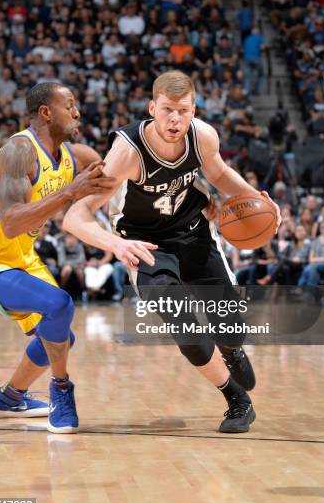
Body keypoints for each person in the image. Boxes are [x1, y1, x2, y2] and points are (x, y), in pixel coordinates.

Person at [63, 70, 281, 434]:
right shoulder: (127, 152)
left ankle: (231, 348)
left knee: (230, 326)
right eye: (167, 110)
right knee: (181, 321)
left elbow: (220, 173)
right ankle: (236, 399)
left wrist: (256, 200)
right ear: (152, 108)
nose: (175, 119)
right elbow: (75, 216)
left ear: (194, 110)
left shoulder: (203, 137)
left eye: (183, 110)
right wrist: (116, 244)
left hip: (193, 233)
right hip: (145, 243)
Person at [0, 82, 115, 433]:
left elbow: (115, 174)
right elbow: (13, 221)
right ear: (46, 112)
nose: (78, 112)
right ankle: (61, 390)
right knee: (60, 305)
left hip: (22, 258)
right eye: (70, 105)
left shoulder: (75, 156)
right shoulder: (18, 151)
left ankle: (10, 397)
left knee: (60, 338)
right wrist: (69, 193)